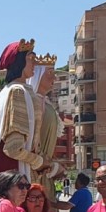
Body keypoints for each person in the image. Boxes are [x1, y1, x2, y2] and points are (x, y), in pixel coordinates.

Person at [0, 39, 49, 193]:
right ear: (19, 62)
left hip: (11, 168)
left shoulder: (9, 91)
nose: (34, 64)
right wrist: (39, 162)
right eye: (31, 58)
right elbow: (13, 148)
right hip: (12, 172)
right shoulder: (17, 92)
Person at [27, 53, 67, 204]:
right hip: (38, 171)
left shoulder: (46, 103)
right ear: (37, 75)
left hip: (45, 172)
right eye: (50, 73)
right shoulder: (33, 102)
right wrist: (52, 166)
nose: (54, 78)